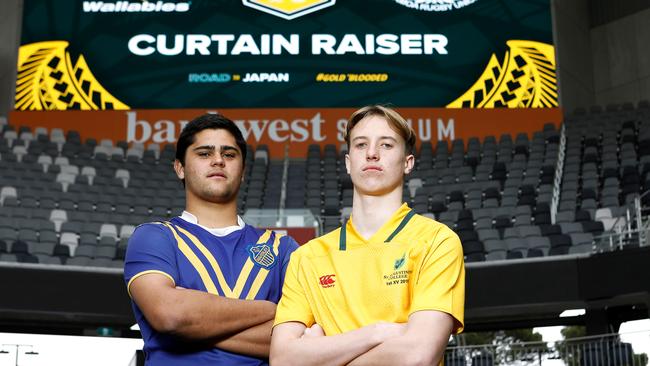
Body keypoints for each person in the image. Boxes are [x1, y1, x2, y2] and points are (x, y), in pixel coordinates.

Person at [270, 105, 465, 366]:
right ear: (349, 163)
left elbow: (417, 357)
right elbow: (283, 360)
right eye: (361, 145)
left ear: (407, 163)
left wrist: (321, 352)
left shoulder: (438, 242)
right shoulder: (307, 257)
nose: (372, 154)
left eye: (386, 145)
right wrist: (379, 333)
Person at [124, 113, 299, 365]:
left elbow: (301, 339)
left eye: (229, 154)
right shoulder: (154, 237)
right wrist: (272, 311)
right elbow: (170, 315)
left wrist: (191, 326)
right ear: (180, 168)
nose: (218, 160)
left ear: (243, 170)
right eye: (204, 153)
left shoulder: (282, 248)